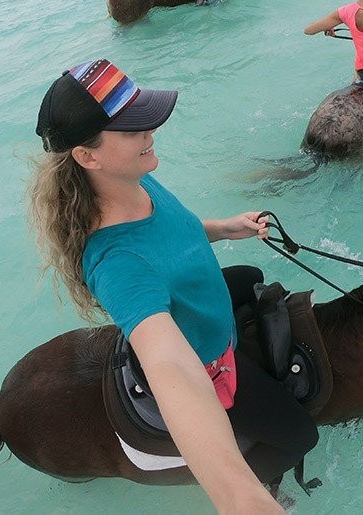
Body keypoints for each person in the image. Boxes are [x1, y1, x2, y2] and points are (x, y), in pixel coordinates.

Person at [31, 58, 318, 514]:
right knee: (301, 436)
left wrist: (223, 228)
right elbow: (168, 362)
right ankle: (265, 481)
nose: (150, 133)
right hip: (204, 357)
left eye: (144, 119)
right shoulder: (116, 263)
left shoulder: (134, 177)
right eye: (132, 129)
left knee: (251, 276)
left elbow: (170, 234)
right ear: (88, 156)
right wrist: (238, 498)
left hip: (202, 304)